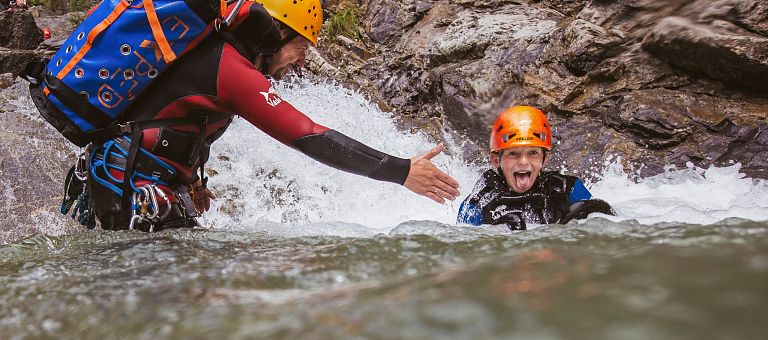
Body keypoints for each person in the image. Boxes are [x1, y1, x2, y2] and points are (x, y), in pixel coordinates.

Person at [64, 0, 460, 231]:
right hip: (133, 186)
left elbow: (176, 121)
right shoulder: (231, 68)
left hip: (133, 182)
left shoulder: (226, 61)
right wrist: (401, 171)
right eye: (299, 49)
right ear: (275, 34)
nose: (300, 62)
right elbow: (309, 135)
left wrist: (191, 181)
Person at [457, 106, 613, 230]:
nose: (523, 162)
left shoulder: (567, 188)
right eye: (513, 154)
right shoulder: (478, 202)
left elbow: (611, 222)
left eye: (533, 153)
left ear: (545, 159)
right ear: (496, 160)